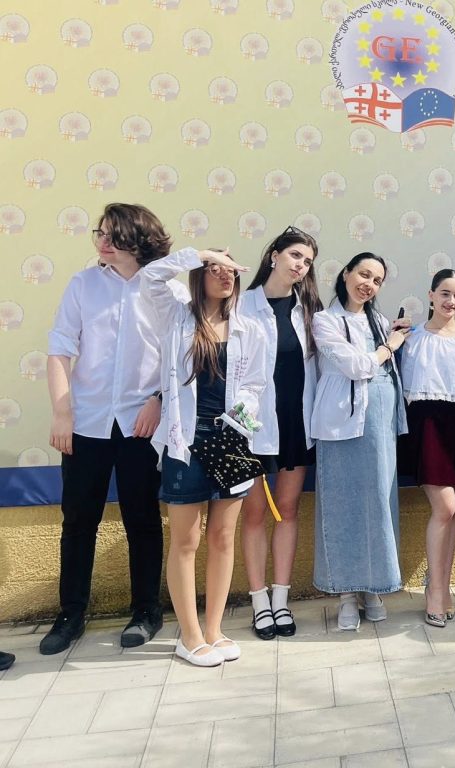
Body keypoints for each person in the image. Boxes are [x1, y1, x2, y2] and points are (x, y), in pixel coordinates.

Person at [42, 203, 179, 655]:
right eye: (100, 232)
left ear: (139, 239)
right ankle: (71, 614)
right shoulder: (83, 284)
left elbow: (181, 356)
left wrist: (159, 400)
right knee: (79, 521)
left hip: (142, 425)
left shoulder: (165, 290)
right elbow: (60, 350)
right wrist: (62, 412)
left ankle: (146, 611)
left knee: (143, 519)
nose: (103, 241)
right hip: (87, 423)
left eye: (113, 234)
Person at [141, 246, 268, 667]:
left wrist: (239, 418)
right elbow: (151, 277)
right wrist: (201, 253)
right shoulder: (176, 316)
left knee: (222, 537)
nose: (225, 275)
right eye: (215, 268)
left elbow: (255, 385)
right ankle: (190, 635)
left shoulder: (249, 328)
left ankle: (214, 629)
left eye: (230, 270)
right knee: (186, 540)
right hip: (185, 440)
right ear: (199, 273)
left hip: (229, 438)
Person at [311, 253, 410, 631]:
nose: (368, 284)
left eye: (377, 280)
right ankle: (346, 594)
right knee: (342, 507)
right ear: (346, 274)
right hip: (340, 427)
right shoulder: (325, 320)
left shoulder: (380, 322)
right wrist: (390, 346)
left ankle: (374, 588)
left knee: (378, 505)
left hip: (380, 426)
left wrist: (393, 338)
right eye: (364, 274)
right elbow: (355, 366)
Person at [238, 227, 322, 640]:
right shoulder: (241, 305)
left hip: (296, 423)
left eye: (307, 261)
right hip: (252, 426)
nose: (300, 265)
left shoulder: (310, 310)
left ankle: (281, 600)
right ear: (274, 254)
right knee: (254, 513)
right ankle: (259, 602)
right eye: (295, 255)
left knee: (287, 510)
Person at [400, 269, 455, 628]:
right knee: (445, 507)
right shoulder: (413, 337)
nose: (451, 301)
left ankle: (441, 585)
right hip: (427, 425)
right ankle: (435, 591)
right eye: (445, 294)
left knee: (453, 512)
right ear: (431, 296)